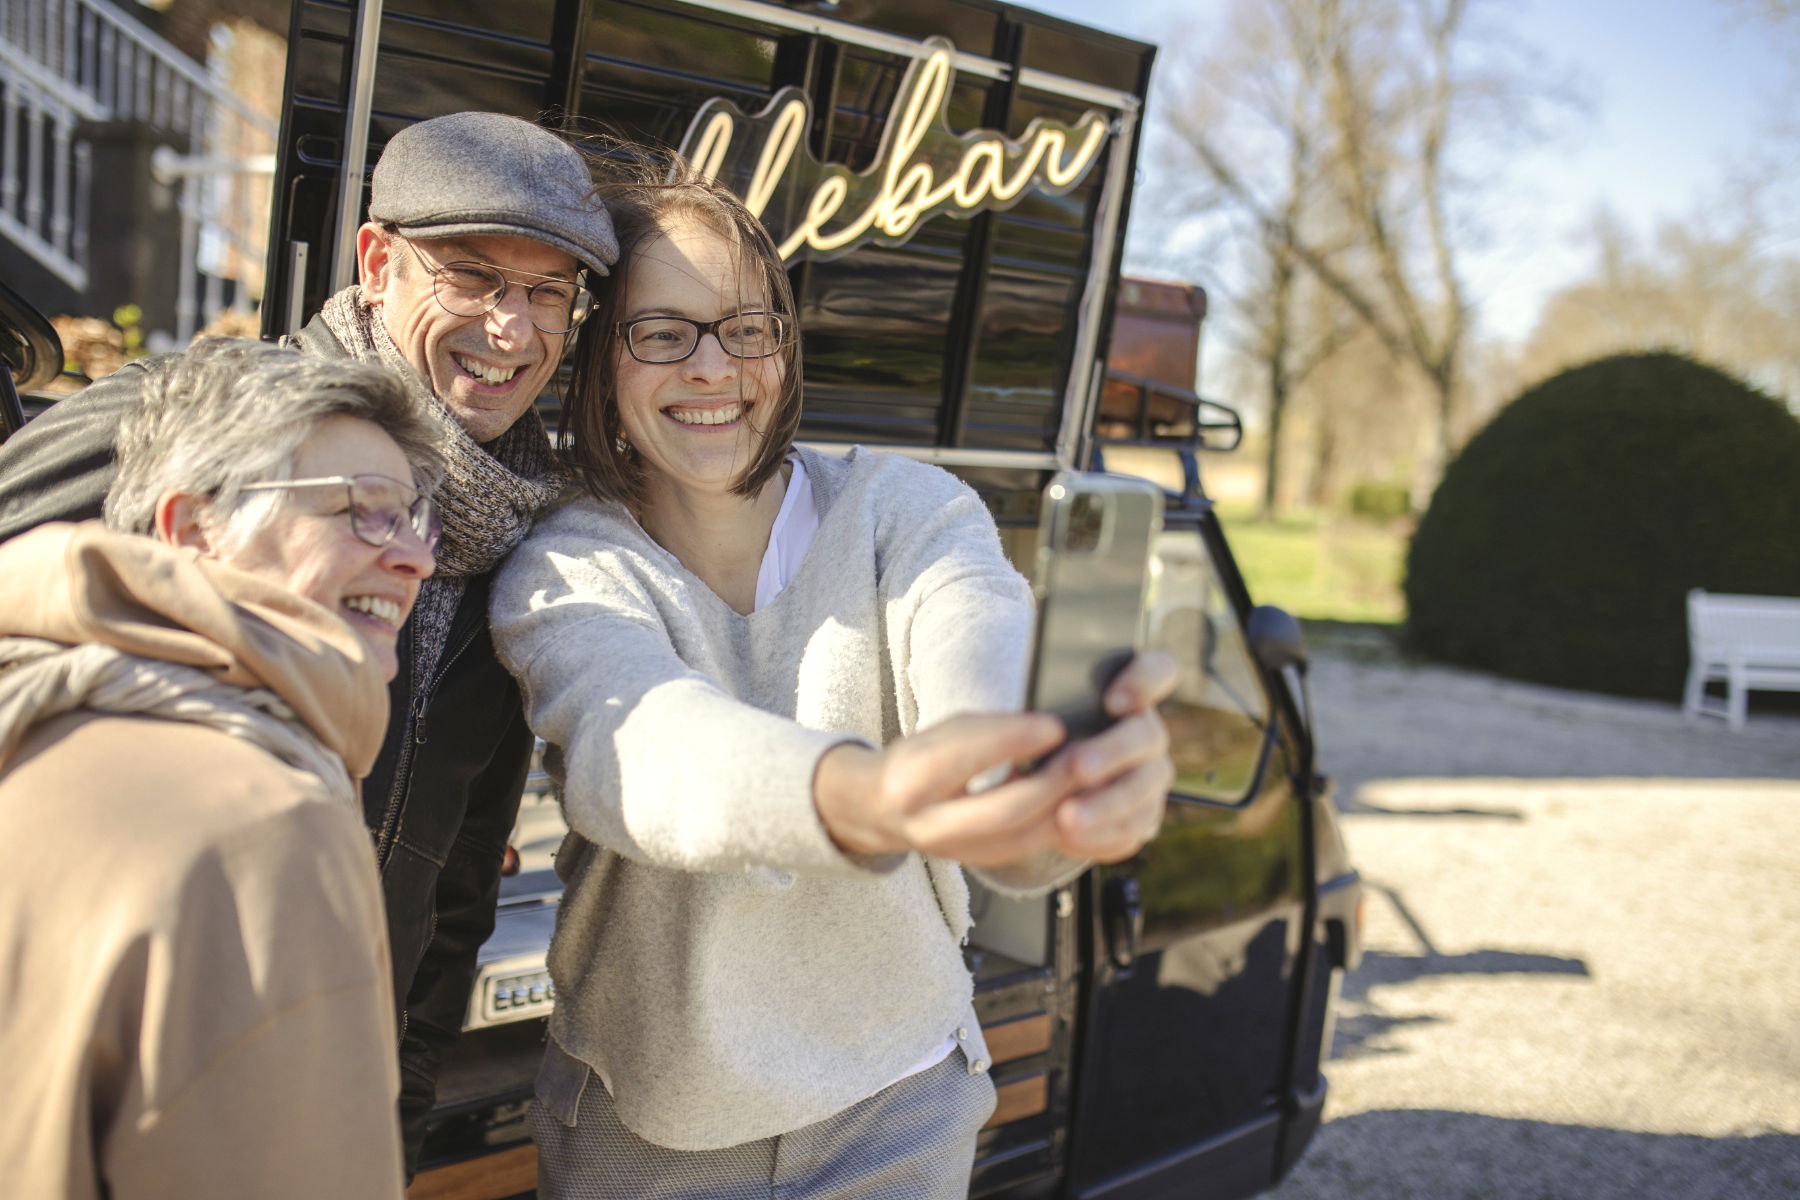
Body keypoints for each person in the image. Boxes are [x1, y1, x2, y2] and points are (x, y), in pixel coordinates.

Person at [490, 160, 1177, 1198]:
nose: (714, 368)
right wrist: (870, 796)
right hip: (649, 1118)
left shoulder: (908, 510)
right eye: (663, 332)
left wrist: (1030, 780)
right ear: (599, 361)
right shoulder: (568, 565)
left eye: (747, 326)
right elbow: (642, 747)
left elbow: (974, 645)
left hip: (900, 1098)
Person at [0, 111, 618, 1168]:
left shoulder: (503, 532)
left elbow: (455, 880)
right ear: (378, 262)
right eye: (471, 278)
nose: (512, 329)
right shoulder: (184, 424)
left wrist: (395, 1114)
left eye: (546, 292)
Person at [0, 338, 443, 1198]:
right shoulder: (265, 827)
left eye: (415, 517)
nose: (414, 556)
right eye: (360, 508)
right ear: (192, 527)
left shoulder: (36, 722)